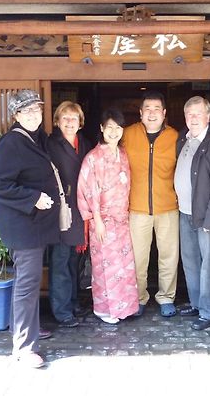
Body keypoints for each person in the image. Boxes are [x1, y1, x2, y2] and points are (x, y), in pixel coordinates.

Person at [0, 89, 59, 368]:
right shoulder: (12, 143)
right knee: (27, 285)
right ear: (15, 115)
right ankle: (24, 347)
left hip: (34, 225)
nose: (34, 115)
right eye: (27, 111)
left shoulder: (36, 138)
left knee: (26, 283)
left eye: (37, 110)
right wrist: (33, 198)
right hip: (23, 225)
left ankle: (25, 329)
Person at [77, 108, 139, 324]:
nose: (114, 132)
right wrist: (97, 220)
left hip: (122, 220)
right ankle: (105, 309)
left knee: (123, 265)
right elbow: (88, 190)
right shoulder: (93, 158)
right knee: (105, 266)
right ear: (102, 128)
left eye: (118, 127)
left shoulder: (122, 154)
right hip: (102, 220)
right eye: (109, 127)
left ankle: (125, 306)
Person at [175, 96, 210, 330]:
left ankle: (208, 311)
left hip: (206, 216)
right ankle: (197, 303)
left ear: (208, 116)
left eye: (198, 114)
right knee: (190, 260)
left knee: (208, 263)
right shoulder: (183, 138)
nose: (193, 118)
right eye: (189, 114)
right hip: (184, 212)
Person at [123, 91, 179, 317]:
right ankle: (139, 297)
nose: (152, 113)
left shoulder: (175, 137)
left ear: (164, 113)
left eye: (157, 109)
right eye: (148, 108)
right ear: (140, 113)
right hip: (136, 207)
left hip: (168, 206)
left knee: (168, 255)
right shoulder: (127, 134)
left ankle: (166, 297)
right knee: (138, 257)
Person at [47, 101, 90, 328]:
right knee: (61, 260)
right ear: (57, 121)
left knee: (75, 259)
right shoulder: (50, 144)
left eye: (74, 118)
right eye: (65, 118)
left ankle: (73, 302)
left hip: (80, 207)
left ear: (80, 122)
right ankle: (61, 310)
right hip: (61, 210)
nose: (70, 122)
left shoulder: (84, 143)